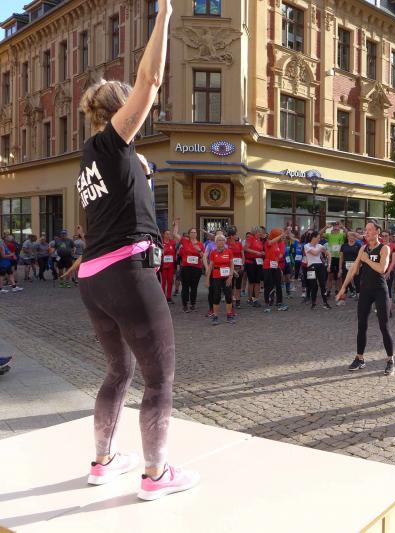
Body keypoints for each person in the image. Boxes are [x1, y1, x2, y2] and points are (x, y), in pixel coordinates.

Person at [75, 0, 199, 501]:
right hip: (127, 271)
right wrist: (164, 13)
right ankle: (155, 474)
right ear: (120, 112)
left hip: (95, 278)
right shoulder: (111, 143)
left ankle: (103, 462)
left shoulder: (91, 158)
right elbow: (150, 80)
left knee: (118, 370)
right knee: (159, 378)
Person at [337, 221, 395, 375]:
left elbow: (382, 269)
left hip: (380, 290)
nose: (367, 232)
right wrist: (343, 288)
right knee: (361, 325)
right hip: (365, 290)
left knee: (384, 326)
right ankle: (360, 358)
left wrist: (367, 259)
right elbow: (353, 269)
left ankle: (390, 360)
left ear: (377, 231)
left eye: (370, 229)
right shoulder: (363, 248)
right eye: (365, 230)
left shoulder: (384, 248)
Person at [205, 233, 236, 325]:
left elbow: (232, 264)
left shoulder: (229, 251)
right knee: (216, 296)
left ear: (225, 242)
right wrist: (207, 279)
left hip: (227, 276)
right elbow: (210, 266)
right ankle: (215, 316)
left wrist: (230, 276)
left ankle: (229, 315)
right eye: (219, 240)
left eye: (222, 240)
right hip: (216, 276)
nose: (221, 242)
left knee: (228, 296)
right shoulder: (213, 252)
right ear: (216, 242)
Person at [263, 228, 289, 311]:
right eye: (278, 235)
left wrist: (277, 259)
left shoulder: (277, 244)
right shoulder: (268, 242)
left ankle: (279, 302)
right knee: (269, 285)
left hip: (275, 265)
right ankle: (268, 302)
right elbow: (271, 242)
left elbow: (279, 254)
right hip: (268, 266)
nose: (280, 237)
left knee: (278, 284)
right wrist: (281, 235)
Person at [178, 228, 204, 313]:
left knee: (194, 287)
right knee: (185, 286)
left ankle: (193, 304)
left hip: (196, 268)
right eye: (192, 232)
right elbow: (175, 234)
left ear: (196, 234)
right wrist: (176, 225)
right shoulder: (185, 241)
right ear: (189, 234)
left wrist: (199, 250)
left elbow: (203, 256)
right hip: (186, 268)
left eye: (195, 232)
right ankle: (185, 305)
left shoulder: (200, 244)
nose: (193, 234)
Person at [305, 231, 331, 309]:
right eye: (318, 238)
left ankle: (325, 303)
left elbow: (329, 254)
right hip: (311, 267)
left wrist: (329, 265)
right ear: (313, 237)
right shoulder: (307, 246)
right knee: (313, 285)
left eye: (320, 238)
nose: (319, 239)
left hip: (320, 266)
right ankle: (313, 303)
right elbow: (315, 253)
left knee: (322, 284)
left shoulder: (319, 245)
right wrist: (321, 248)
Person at [244, 227, 265, 306]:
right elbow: (245, 248)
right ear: (256, 232)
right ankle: (250, 299)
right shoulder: (250, 238)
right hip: (250, 262)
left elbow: (260, 250)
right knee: (251, 281)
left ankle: (256, 299)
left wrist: (262, 252)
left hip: (259, 262)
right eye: (260, 232)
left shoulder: (259, 240)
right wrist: (256, 252)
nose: (261, 233)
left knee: (257, 281)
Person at [324, 221, 346, 297]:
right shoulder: (329, 235)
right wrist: (326, 227)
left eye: (337, 226)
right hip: (331, 257)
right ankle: (328, 291)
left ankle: (339, 291)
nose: (336, 227)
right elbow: (319, 234)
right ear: (332, 227)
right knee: (330, 275)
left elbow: (349, 234)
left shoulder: (342, 234)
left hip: (340, 257)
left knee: (339, 276)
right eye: (334, 226)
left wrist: (343, 227)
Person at [227, 227, 245, 308]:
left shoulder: (239, 244)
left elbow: (243, 255)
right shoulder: (227, 245)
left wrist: (242, 265)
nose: (237, 236)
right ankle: (231, 300)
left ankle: (238, 301)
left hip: (239, 266)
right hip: (231, 268)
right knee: (231, 285)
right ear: (231, 236)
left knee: (238, 284)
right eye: (235, 235)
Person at [340, 231, 362, 298]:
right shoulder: (344, 246)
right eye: (349, 236)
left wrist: (359, 266)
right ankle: (343, 298)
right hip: (345, 266)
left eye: (353, 236)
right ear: (347, 237)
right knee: (345, 281)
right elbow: (341, 257)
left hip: (355, 266)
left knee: (357, 281)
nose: (351, 237)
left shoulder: (358, 245)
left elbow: (361, 257)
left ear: (355, 237)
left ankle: (359, 296)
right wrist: (340, 268)